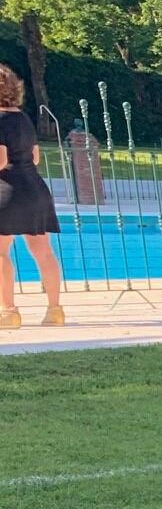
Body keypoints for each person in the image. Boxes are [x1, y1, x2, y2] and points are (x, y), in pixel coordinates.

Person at [0, 64, 65, 329]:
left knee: (0, 253)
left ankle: (9, 312)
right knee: (43, 252)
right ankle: (55, 310)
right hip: (36, 190)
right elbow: (35, 157)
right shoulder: (23, 119)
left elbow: (1, 160)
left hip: (7, 191)